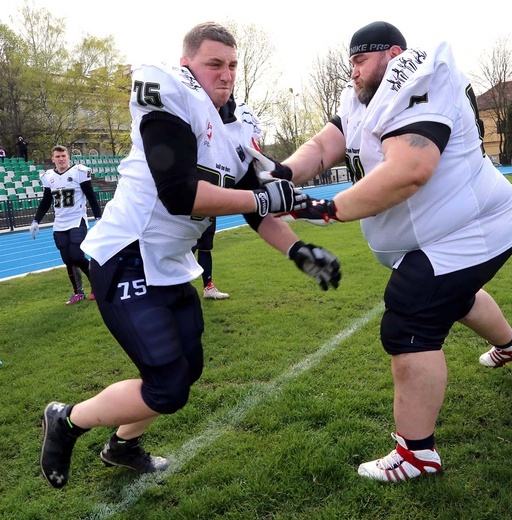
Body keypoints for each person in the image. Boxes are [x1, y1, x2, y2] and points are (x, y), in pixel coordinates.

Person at [39, 22, 341, 489]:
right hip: (127, 253)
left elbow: (256, 205)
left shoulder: (238, 126)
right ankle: (67, 420)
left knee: (188, 368)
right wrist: (265, 200)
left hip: (168, 260)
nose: (226, 74)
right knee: (167, 386)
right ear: (188, 66)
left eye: (232, 65)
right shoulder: (170, 94)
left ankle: (122, 446)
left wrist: (298, 249)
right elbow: (181, 194)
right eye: (214, 63)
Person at [250, 21, 512, 482]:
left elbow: (410, 170)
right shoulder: (364, 96)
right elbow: (327, 144)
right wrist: (283, 171)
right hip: (445, 234)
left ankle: (417, 454)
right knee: (453, 297)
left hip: (470, 229)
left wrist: (325, 209)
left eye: (360, 61)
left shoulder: (420, 77)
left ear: (393, 54)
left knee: (410, 318)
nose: (354, 73)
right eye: (351, 64)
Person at [30, 145, 101, 304]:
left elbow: (91, 196)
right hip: (60, 223)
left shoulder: (79, 172)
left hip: (77, 220)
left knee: (77, 255)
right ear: (52, 158)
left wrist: (98, 217)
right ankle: (78, 292)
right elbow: (46, 200)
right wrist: (36, 220)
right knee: (68, 259)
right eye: (58, 156)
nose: (61, 159)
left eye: (63, 156)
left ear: (68, 157)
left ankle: (97, 284)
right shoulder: (48, 176)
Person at [192, 218, 230, 299]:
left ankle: (208, 287)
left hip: (208, 214)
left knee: (205, 247)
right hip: (189, 215)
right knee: (187, 249)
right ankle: (174, 288)